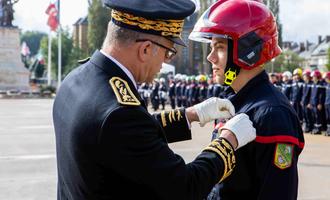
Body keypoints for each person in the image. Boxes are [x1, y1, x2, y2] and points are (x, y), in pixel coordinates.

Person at [53, 0, 256, 199]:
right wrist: (228, 142)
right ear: (146, 49)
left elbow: (125, 137)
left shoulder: (76, 79)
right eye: (168, 52)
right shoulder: (120, 113)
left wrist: (190, 115)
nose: (166, 62)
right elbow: (185, 187)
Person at [189, 0, 305, 199]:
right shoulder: (231, 102)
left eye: (219, 47)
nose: (211, 58)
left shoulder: (273, 115)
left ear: (246, 50)